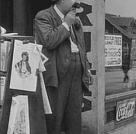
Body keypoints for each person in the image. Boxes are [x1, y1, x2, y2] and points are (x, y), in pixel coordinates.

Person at [34, 0, 92, 133]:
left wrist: (86, 68)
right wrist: (66, 24)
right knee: (55, 120)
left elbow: (81, 47)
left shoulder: (74, 18)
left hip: (76, 75)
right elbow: (48, 41)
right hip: (58, 76)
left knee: (74, 119)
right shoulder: (44, 16)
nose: (76, 2)